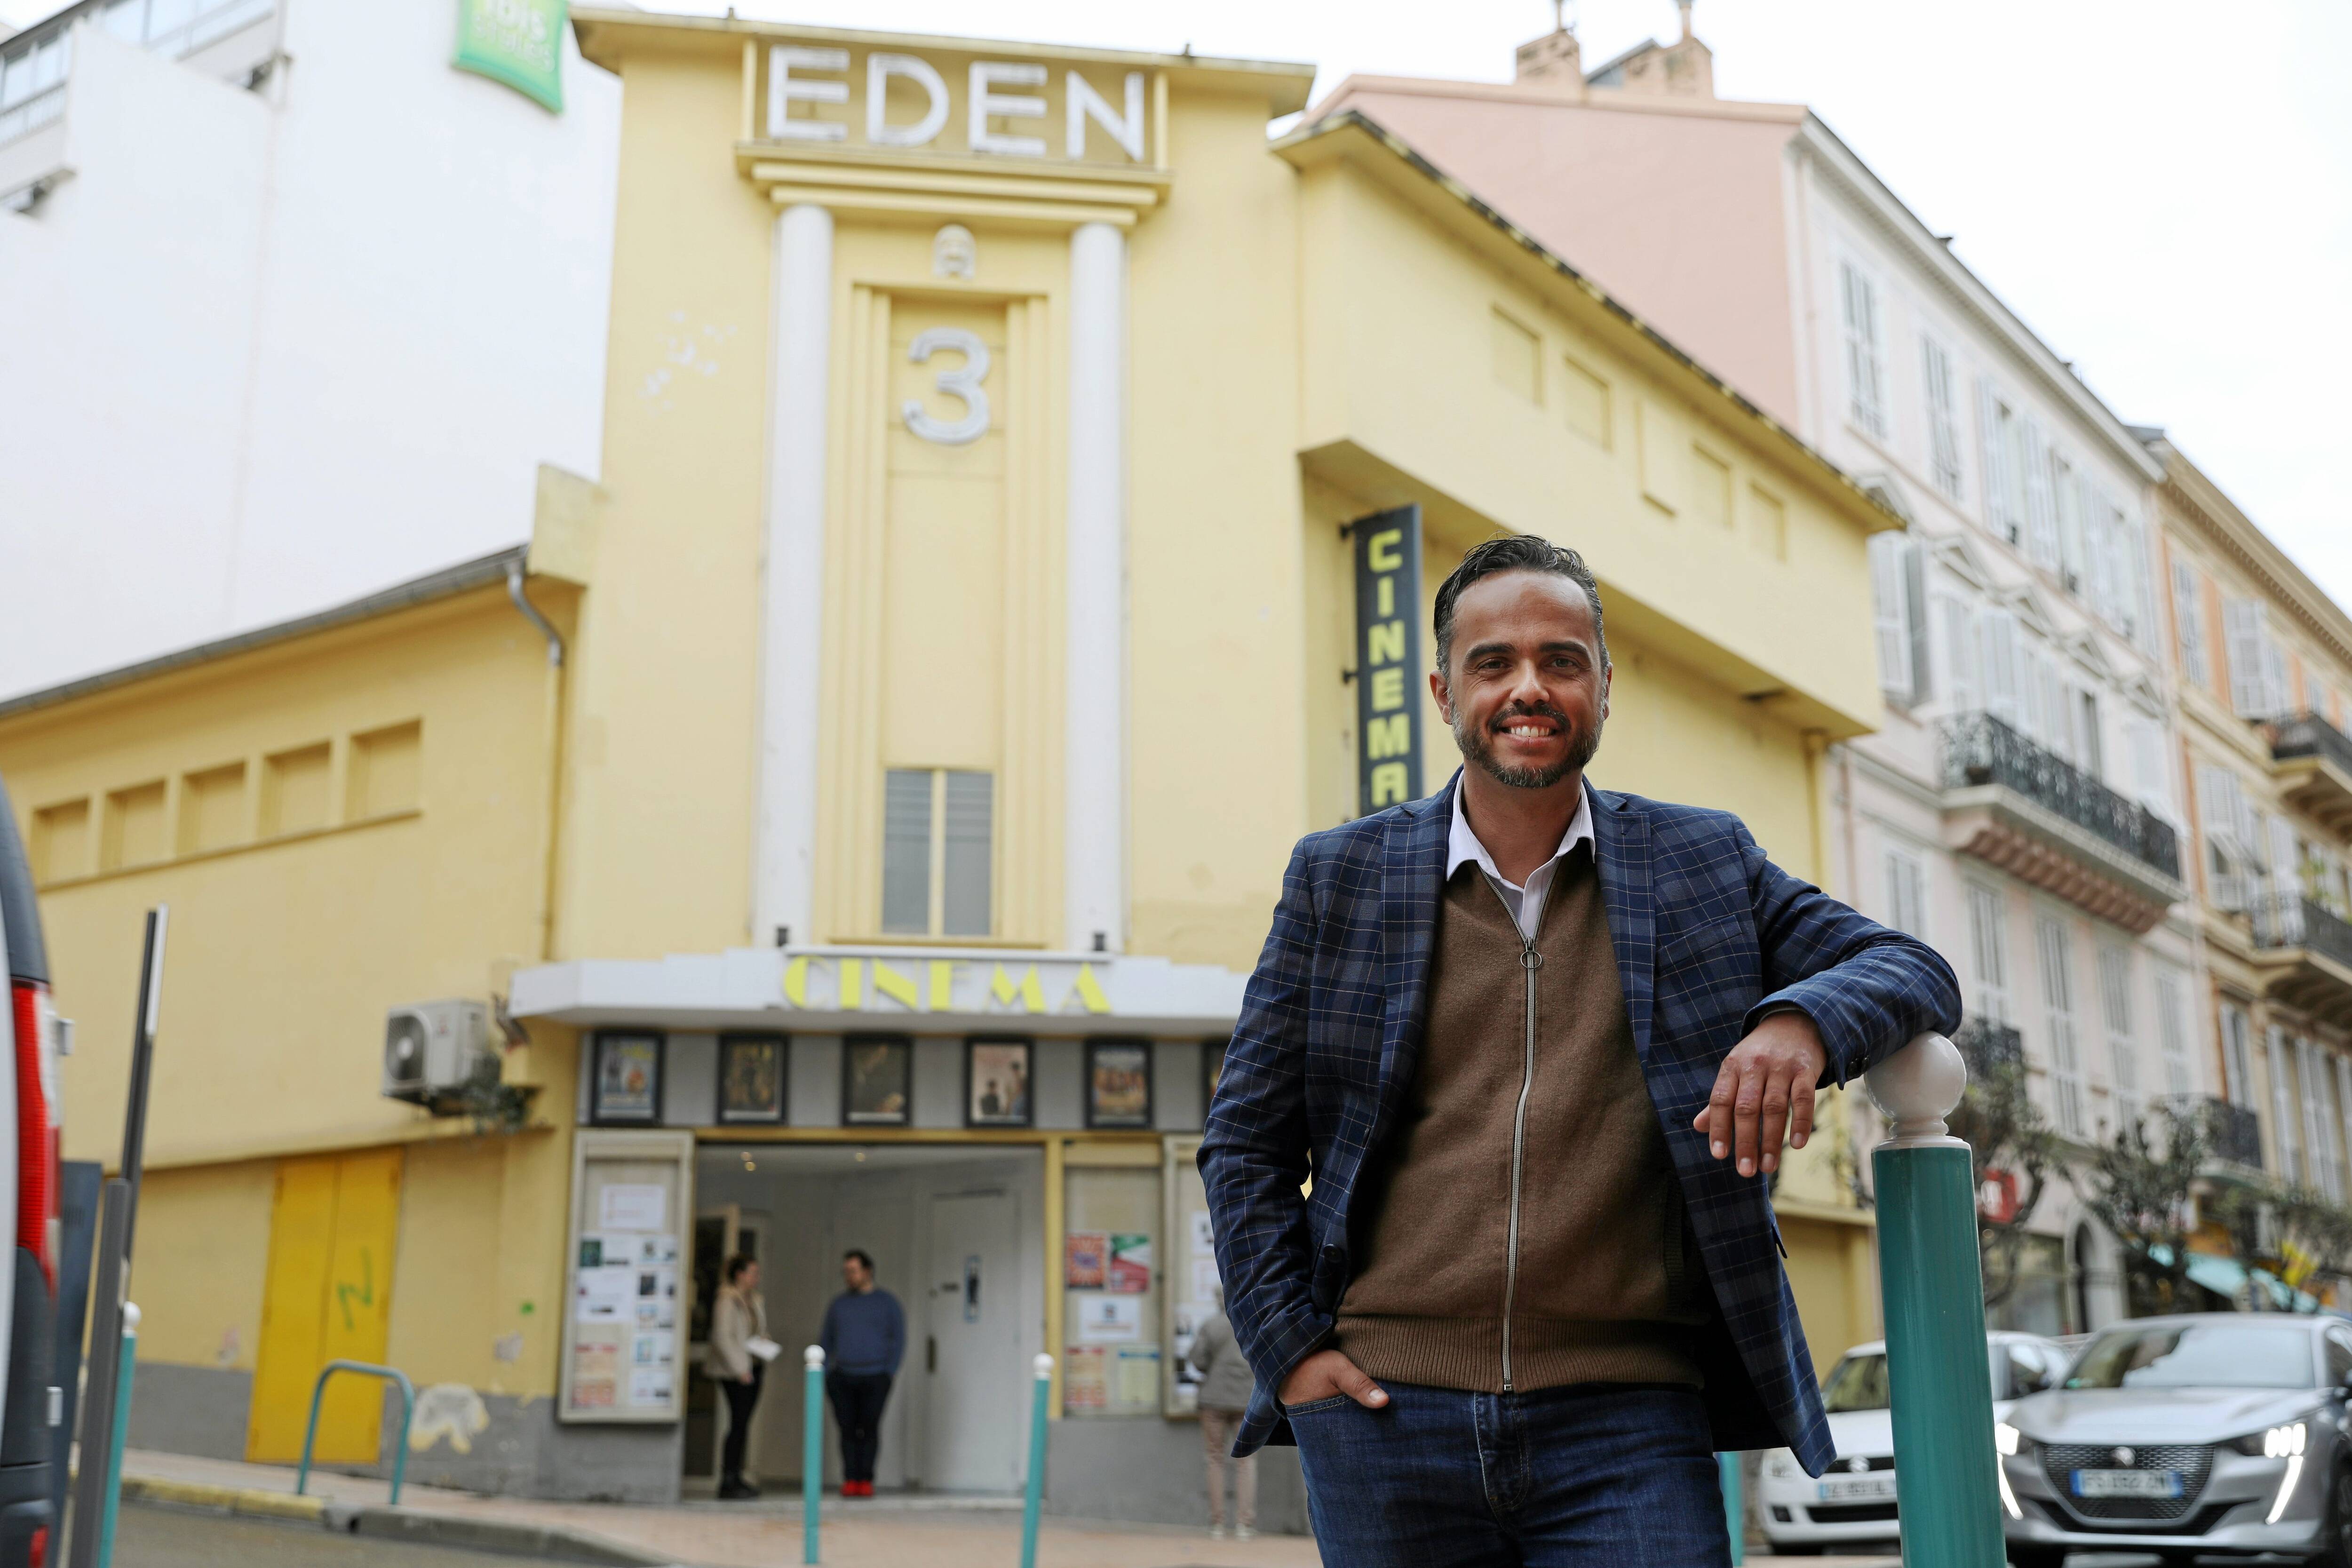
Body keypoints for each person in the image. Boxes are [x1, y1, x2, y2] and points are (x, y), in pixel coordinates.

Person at [1199, 535, 1960, 1566]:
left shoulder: (1700, 861)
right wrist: (1291, 1352)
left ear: (1603, 684)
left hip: (1629, 1422)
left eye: (1561, 660)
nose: (1529, 687)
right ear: (1441, 690)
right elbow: (1244, 1142)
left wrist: (1801, 1020)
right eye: (1493, 661)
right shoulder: (1341, 876)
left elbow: (1910, 966)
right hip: (1383, 1416)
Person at [819, 1249, 905, 1496]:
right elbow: (826, 1340)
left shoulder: (887, 1303)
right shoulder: (839, 1305)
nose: (849, 1276)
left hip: (876, 1375)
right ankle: (850, 1479)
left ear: (867, 1272)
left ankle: (866, 1480)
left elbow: (899, 1339)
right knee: (847, 1429)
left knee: (869, 1428)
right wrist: (825, 1373)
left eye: (854, 1271)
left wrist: (890, 1371)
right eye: (846, 1272)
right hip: (843, 1376)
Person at [1187, 1287, 1258, 1540]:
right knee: (1246, 1462)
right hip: (1246, 1400)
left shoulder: (1211, 1325)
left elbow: (1197, 1360)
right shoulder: (1254, 1323)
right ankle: (1244, 1525)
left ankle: (1217, 1525)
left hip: (1213, 1399)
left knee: (1215, 1459)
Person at [708, 1254, 767, 1500]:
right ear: (739, 1274)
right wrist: (739, 1369)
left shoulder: (755, 1300)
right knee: (738, 1423)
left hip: (754, 1366)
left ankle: (738, 1476)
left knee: (743, 1424)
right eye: (752, 1272)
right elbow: (722, 1337)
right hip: (736, 1372)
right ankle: (728, 1480)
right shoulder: (726, 1299)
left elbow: (754, 1331)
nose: (756, 1277)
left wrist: (764, 1345)